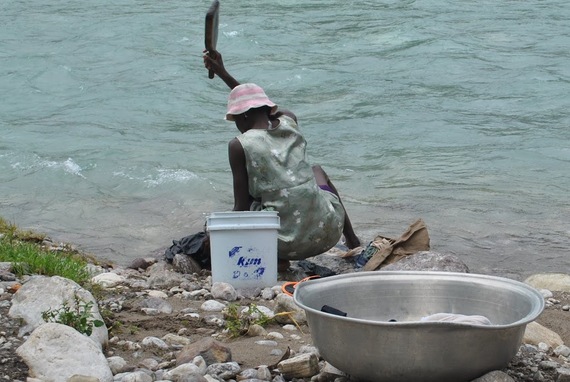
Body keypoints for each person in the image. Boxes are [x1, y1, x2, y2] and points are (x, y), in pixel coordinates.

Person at [203, 50, 360, 269]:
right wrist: (224, 74)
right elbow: (268, 109)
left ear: (244, 116)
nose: (237, 124)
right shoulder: (290, 122)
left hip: (280, 244)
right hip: (327, 232)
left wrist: (212, 235)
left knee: (253, 193)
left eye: (236, 118)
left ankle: (279, 261)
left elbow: (241, 207)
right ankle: (352, 239)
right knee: (317, 170)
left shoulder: (239, 145)